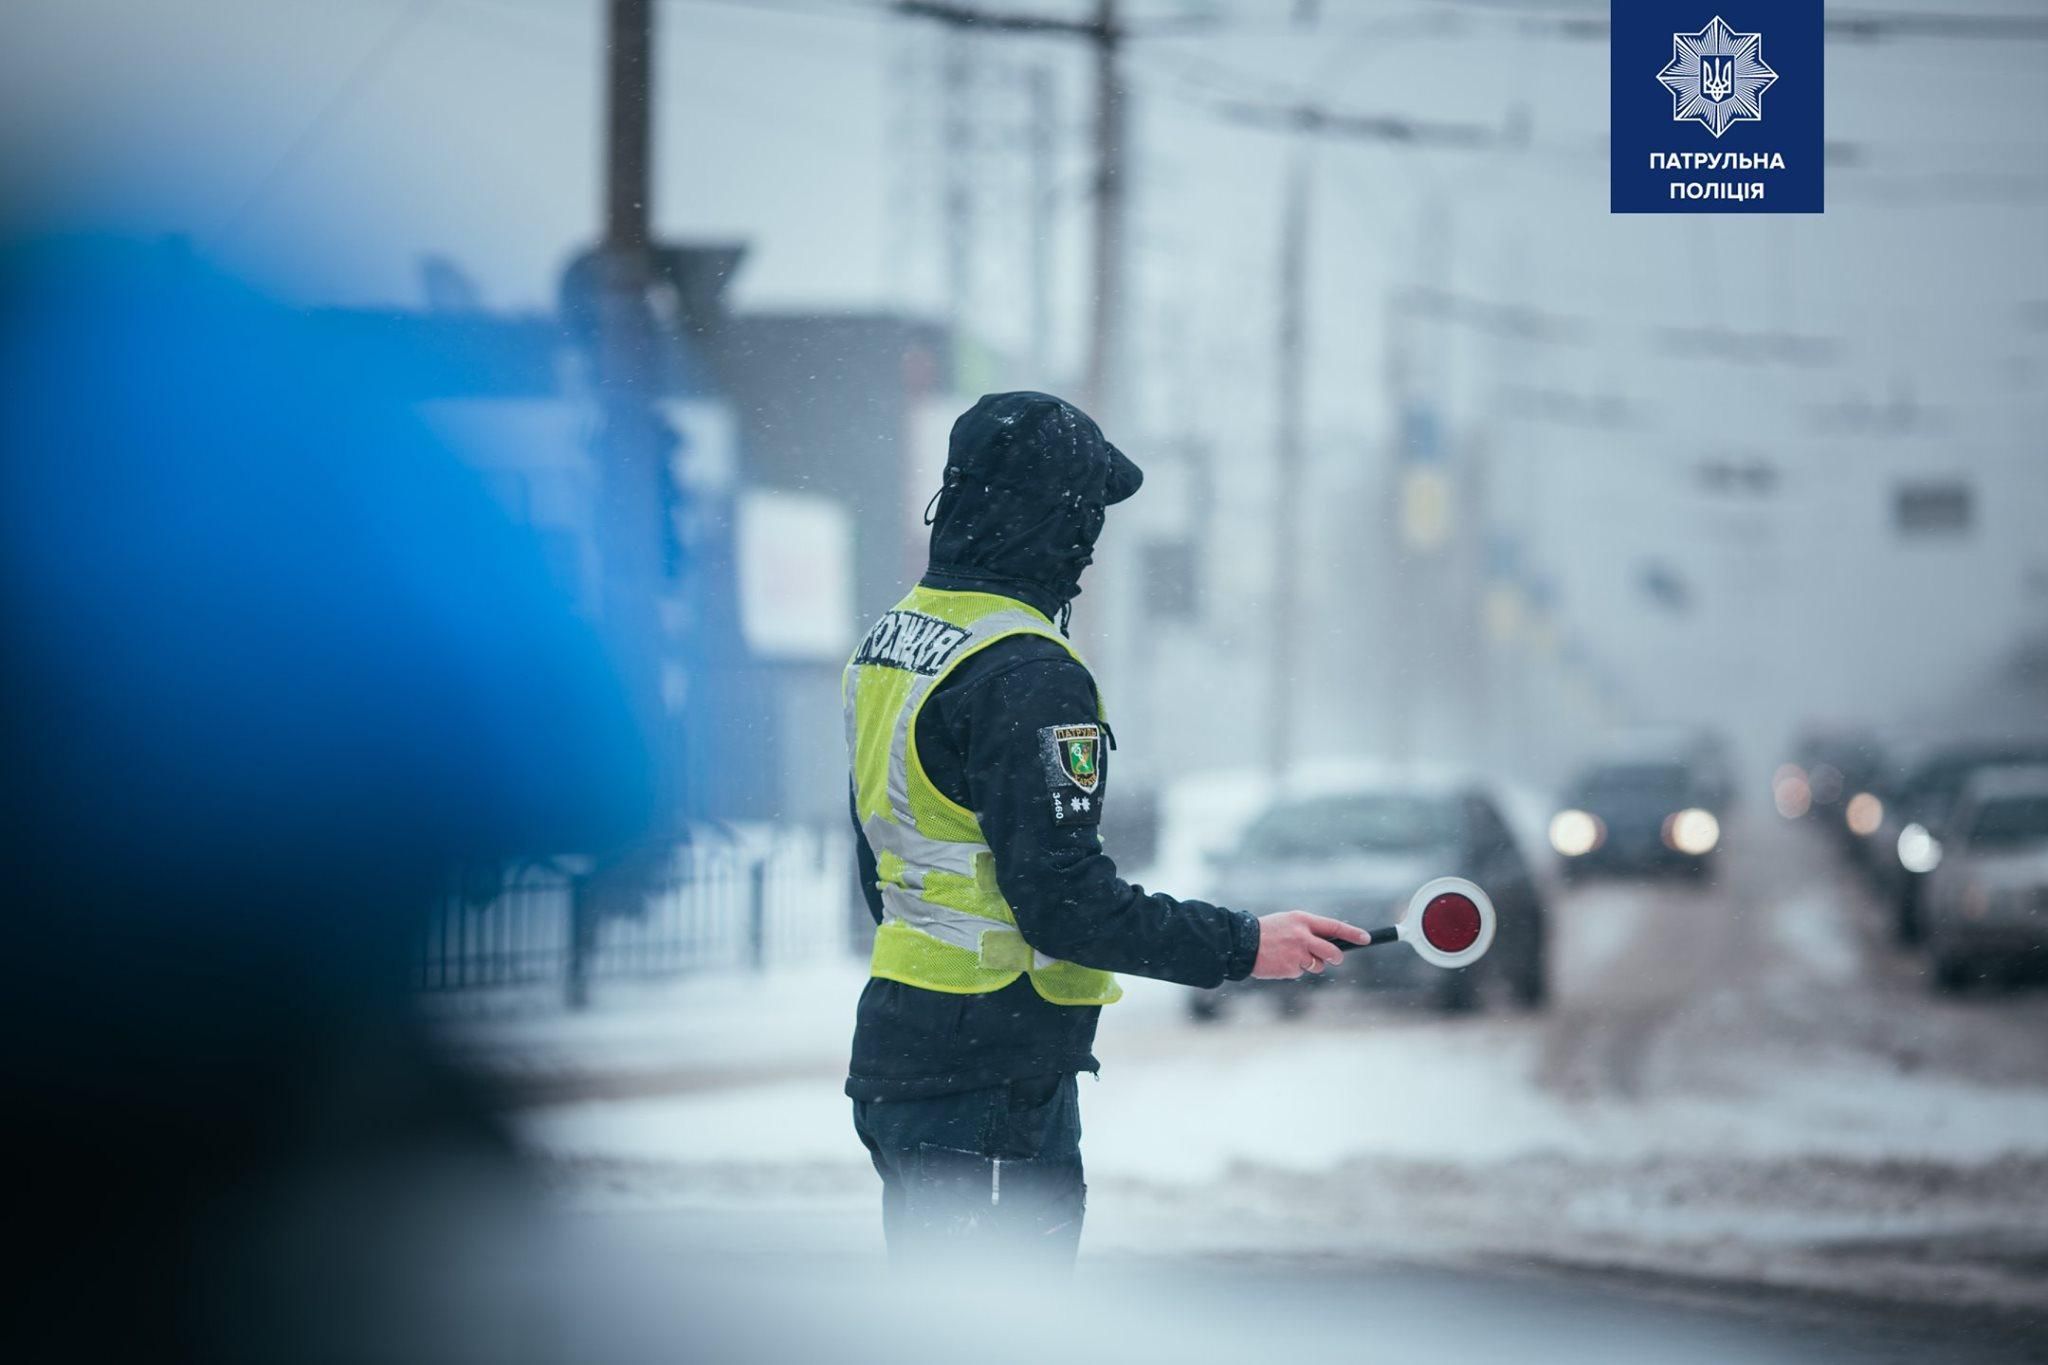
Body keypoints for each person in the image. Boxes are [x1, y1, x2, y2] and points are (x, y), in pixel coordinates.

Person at [843, 391, 1366, 1268]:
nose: (1091, 548)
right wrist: (1242, 944)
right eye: (1087, 516)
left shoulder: (898, 639)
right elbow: (1064, 904)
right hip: (993, 1081)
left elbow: (882, 859)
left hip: (906, 1054)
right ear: (1055, 517)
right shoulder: (1027, 673)